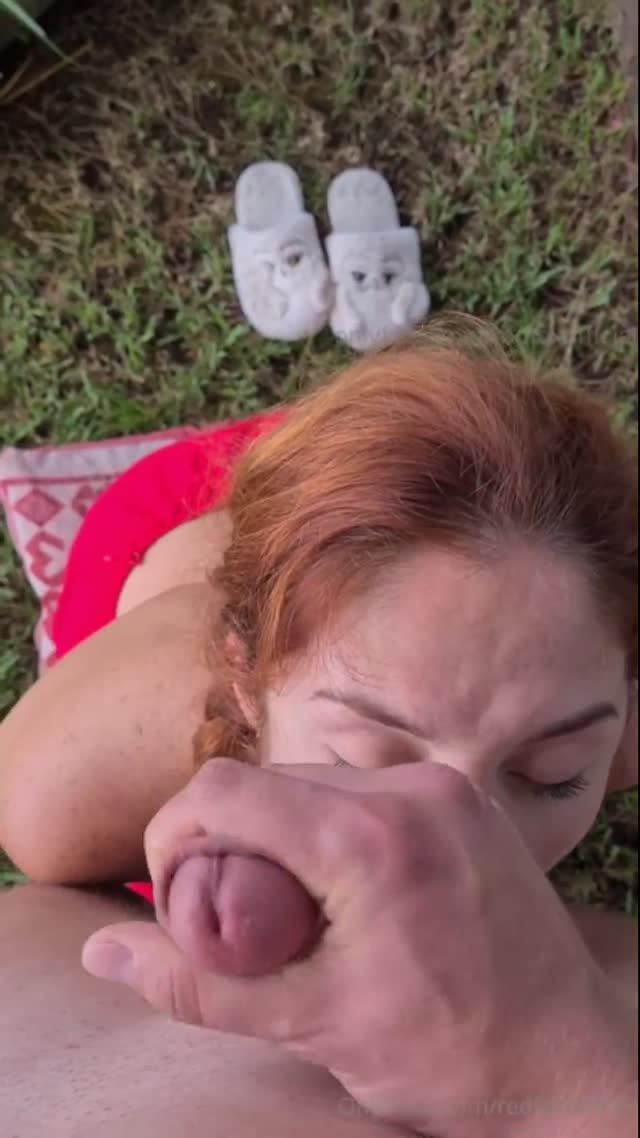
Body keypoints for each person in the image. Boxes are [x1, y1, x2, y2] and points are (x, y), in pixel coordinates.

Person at [0, 315, 637, 1136]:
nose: (464, 855)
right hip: (177, 514)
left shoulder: (604, 707)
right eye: (367, 757)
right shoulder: (67, 795)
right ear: (245, 685)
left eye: (551, 775)